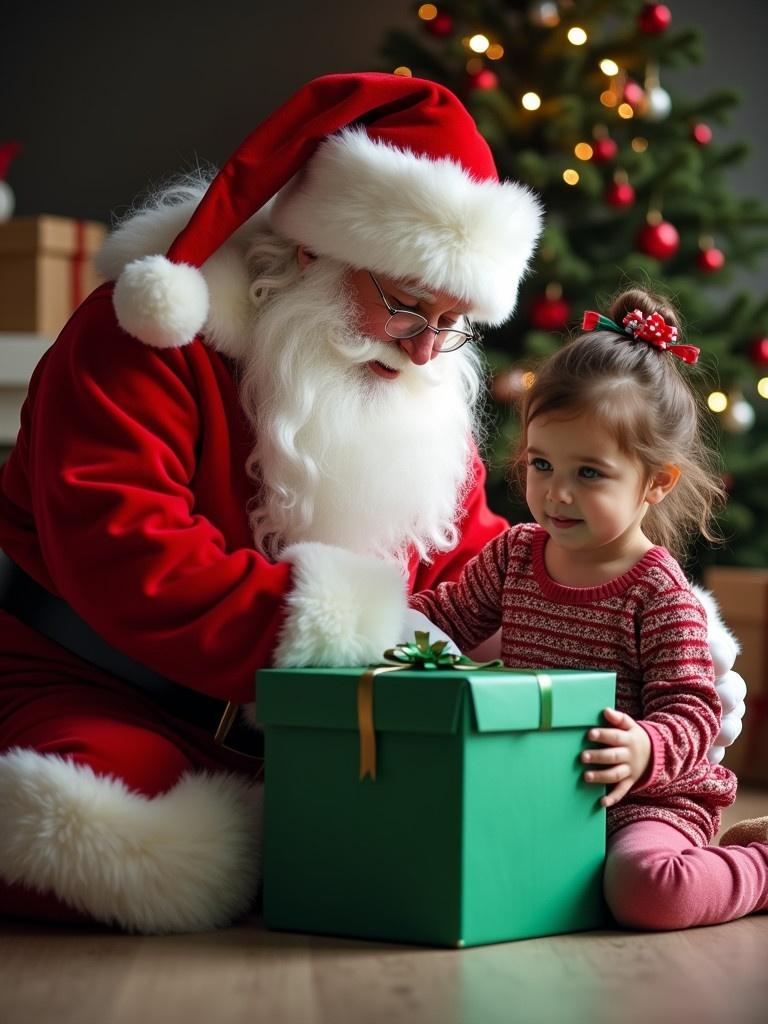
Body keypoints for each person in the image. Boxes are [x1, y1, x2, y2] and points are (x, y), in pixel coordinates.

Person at [0, 73, 743, 934]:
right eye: (403, 303)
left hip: (332, 738)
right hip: (101, 688)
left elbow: (480, 564)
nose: (428, 346)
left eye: (455, 320)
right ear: (313, 250)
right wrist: (361, 636)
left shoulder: (416, 384)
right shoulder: (143, 340)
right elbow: (129, 553)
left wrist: (664, 638)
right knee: (86, 842)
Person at [410, 288, 767, 930]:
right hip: (538, 787)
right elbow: (439, 620)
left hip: (645, 799)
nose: (557, 493)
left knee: (647, 891)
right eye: (542, 464)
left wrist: (644, 748)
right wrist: (370, 632)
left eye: (591, 474)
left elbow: (693, 710)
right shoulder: (514, 556)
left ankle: (757, 862)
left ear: (656, 483)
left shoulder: (657, 593)